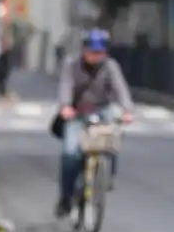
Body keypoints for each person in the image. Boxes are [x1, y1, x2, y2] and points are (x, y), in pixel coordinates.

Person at [54, 29, 134, 218]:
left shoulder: (110, 66)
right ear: (84, 50)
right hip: (77, 111)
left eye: (99, 52)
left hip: (101, 109)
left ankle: (107, 176)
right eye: (91, 51)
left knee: (112, 139)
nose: (95, 56)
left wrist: (127, 109)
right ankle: (65, 198)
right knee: (70, 154)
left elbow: (120, 88)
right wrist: (65, 106)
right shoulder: (71, 65)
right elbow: (66, 86)